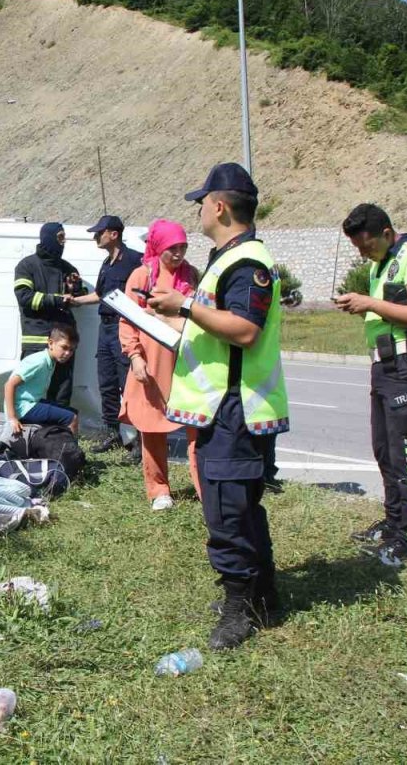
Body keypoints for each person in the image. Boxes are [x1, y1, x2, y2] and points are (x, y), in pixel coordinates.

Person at [149, 162, 288, 650]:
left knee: (228, 512)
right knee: (242, 507)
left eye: (202, 203)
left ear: (220, 206)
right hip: (223, 408)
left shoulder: (246, 263)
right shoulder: (229, 257)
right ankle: (264, 593)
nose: (199, 211)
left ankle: (240, 606)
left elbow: (245, 331)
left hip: (235, 409)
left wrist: (185, 307)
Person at [333, 203, 407, 567]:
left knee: (406, 453)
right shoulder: (381, 263)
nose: (363, 253)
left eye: (367, 246)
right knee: (385, 451)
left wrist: (370, 303)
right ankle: (395, 522)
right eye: (358, 248)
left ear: (386, 233)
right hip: (383, 368)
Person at [118, 219, 202, 511]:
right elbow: (127, 319)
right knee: (152, 427)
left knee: (197, 427)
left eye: (182, 247)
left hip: (187, 363)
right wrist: (135, 356)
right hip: (152, 364)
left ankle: (206, 487)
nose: (178, 254)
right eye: (172, 248)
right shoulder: (142, 276)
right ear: (157, 247)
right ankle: (159, 490)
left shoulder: (192, 275)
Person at [69, 215, 144, 452]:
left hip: (125, 327)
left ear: (114, 234)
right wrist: (76, 300)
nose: (95, 237)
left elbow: (144, 293)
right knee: (107, 384)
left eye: (99, 233)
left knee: (128, 385)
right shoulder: (106, 263)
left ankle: (140, 442)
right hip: (106, 328)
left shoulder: (134, 260)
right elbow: (101, 294)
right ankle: (114, 434)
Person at [12, 222, 85, 406]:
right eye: (60, 237)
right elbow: (25, 298)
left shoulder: (68, 268)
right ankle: (27, 431)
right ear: (48, 238)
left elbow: (79, 298)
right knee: (29, 391)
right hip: (37, 340)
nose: (63, 242)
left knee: (61, 391)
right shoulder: (26, 266)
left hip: (63, 342)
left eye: (64, 238)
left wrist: (75, 289)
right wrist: (57, 299)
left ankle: (57, 433)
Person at [4, 324, 80, 437]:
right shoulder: (39, 362)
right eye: (64, 347)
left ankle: (57, 445)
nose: (68, 353)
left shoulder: (50, 360)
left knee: (73, 413)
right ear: (50, 343)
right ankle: (71, 452)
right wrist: (12, 418)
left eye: (72, 350)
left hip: (32, 403)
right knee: (71, 419)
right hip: (23, 408)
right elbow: (9, 385)